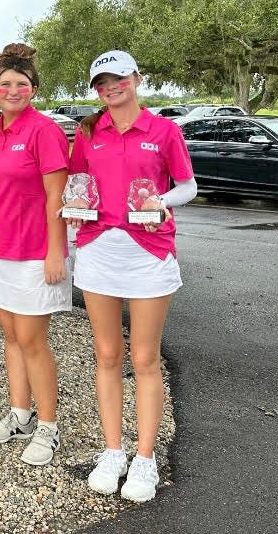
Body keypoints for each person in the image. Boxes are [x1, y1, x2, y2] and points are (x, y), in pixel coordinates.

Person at [65, 50, 196, 502]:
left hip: (149, 251)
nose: (111, 88)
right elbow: (78, 185)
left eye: (119, 78)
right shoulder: (89, 132)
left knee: (143, 357)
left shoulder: (164, 130)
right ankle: (113, 450)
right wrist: (76, 207)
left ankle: (145, 458)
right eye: (102, 82)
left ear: (137, 78)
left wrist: (162, 201)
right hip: (98, 250)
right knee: (106, 353)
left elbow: (188, 185)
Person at [0, 44, 70, 464]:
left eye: (22, 85)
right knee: (11, 335)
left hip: (34, 252)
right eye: (6, 84)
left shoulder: (44, 131)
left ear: (33, 90)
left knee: (32, 339)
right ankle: (20, 414)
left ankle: (48, 427)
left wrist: (55, 253)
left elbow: (57, 198)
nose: (13, 90)